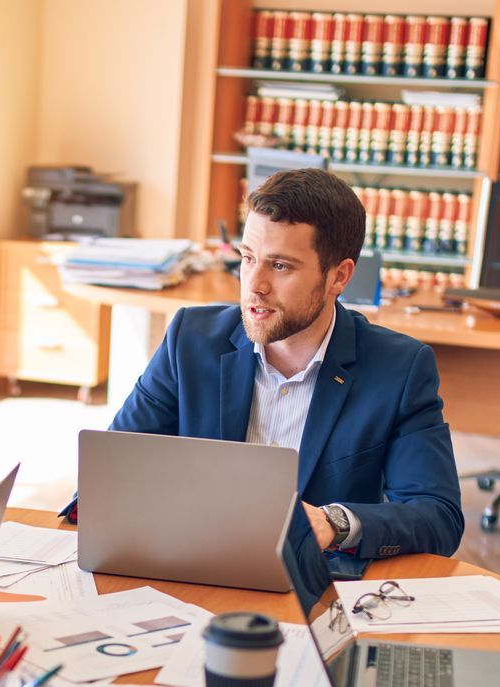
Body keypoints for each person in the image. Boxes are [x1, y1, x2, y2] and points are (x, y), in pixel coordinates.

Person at [67, 167, 463, 565]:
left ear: (338, 277)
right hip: (192, 566)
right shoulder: (190, 339)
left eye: (280, 266)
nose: (254, 284)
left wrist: (334, 523)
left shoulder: (399, 369)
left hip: (311, 581)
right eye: (248, 258)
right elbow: (107, 477)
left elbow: (438, 517)